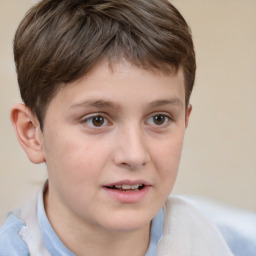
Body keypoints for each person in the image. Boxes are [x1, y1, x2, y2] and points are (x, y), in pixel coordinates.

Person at [0, 0, 252, 255]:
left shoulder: (230, 245)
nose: (134, 155)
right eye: (97, 120)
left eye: (159, 119)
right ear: (32, 133)